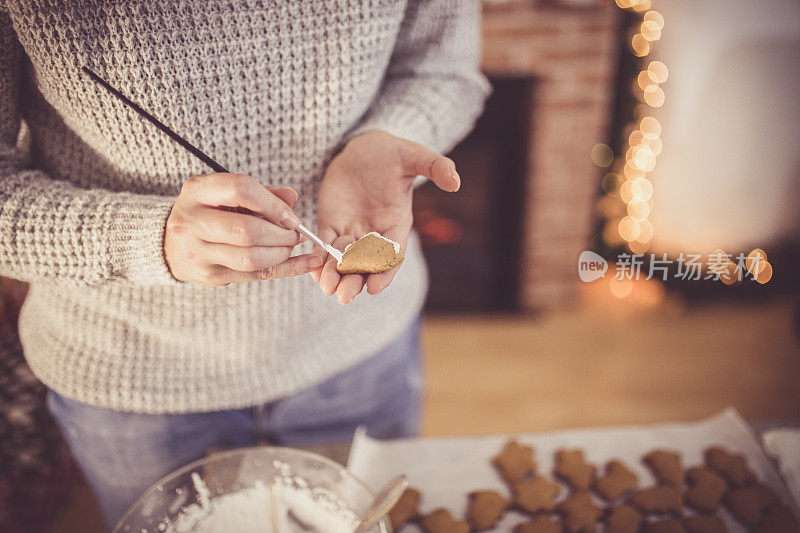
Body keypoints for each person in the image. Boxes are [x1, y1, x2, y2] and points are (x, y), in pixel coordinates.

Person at [0, 0, 489, 528]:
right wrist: (147, 238)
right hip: (130, 381)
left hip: (356, 352)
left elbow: (442, 71)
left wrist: (387, 134)